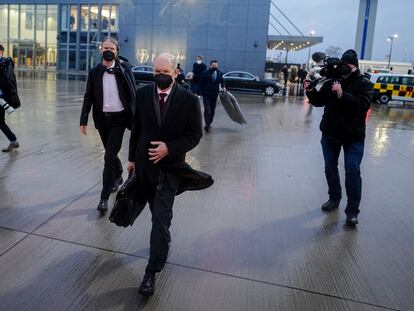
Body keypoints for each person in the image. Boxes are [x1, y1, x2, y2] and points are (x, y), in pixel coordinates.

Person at [128, 53, 212, 297]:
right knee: (158, 218)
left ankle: (151, 272)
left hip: (170, 170)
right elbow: (136, 129)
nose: (160, 76)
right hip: (144, 168)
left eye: (165, 71)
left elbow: (194, 135)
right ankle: (163, 240)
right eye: (156, 72)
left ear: (175, 72)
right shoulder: (143, 94)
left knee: (159, 220)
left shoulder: (189, 100)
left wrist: (169, 148)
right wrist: (132, 159)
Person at [304, 49, 372, 226]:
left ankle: (352, 212)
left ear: (354, 66)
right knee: (330, 168)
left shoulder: (364, 83)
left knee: (352, 171)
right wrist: (310, 90)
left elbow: (363, 105)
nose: (344, 68)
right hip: (330, 134)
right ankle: (334, 199)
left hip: (353, 137)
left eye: (347, 65)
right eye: (343, 65)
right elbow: (319, 101)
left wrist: (342, 94)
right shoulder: (333, 80)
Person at [80, 37, 136, 212]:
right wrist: (83, 119)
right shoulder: (94, 71)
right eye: (105, 47)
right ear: (100, 49)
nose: (108, 50)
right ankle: (118, 175)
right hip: (102, 119)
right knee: (110, 153)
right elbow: (88, 96)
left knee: (108, 157)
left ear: (117, 51)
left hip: (119, 119)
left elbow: (134, 93)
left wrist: (138, 117)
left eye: (111, 47)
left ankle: (103, 197)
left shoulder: (124, 69)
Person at [0, 44, 21, 152]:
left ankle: (13, 141)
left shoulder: (5, 64)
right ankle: (13, 141)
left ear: (1, 52)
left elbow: (8, 80)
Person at [200, 60, 224, 132]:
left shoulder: (220, 73)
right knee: (207, 109)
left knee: (212, 110)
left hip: (215, 94)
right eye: (213, 65)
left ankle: (209, 122)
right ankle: (207, 125)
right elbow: (201, 83)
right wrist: (200, 93)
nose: (215, 66)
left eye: (216, 65)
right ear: (210, 65)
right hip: (206, 94)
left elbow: (222, 82)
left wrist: (224, 87)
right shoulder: (205, 73)